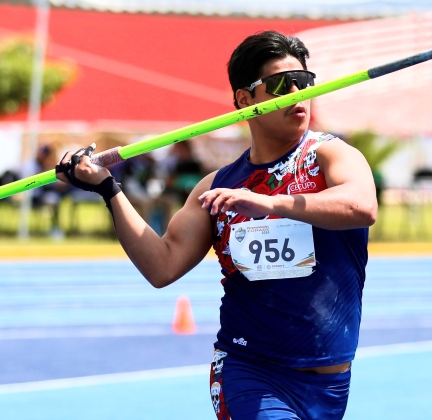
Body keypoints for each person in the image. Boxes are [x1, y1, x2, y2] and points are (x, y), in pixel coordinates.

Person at [55, 30, 377, 420]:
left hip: (330, 383)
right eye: (279, 84)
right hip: (249, 371)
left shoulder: (331, 155)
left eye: (304, 81)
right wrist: (109, 189)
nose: (297, 92)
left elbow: (362, 205)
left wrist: (272, 203)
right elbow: (162, 265)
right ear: (245, 100)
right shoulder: (218, 188)